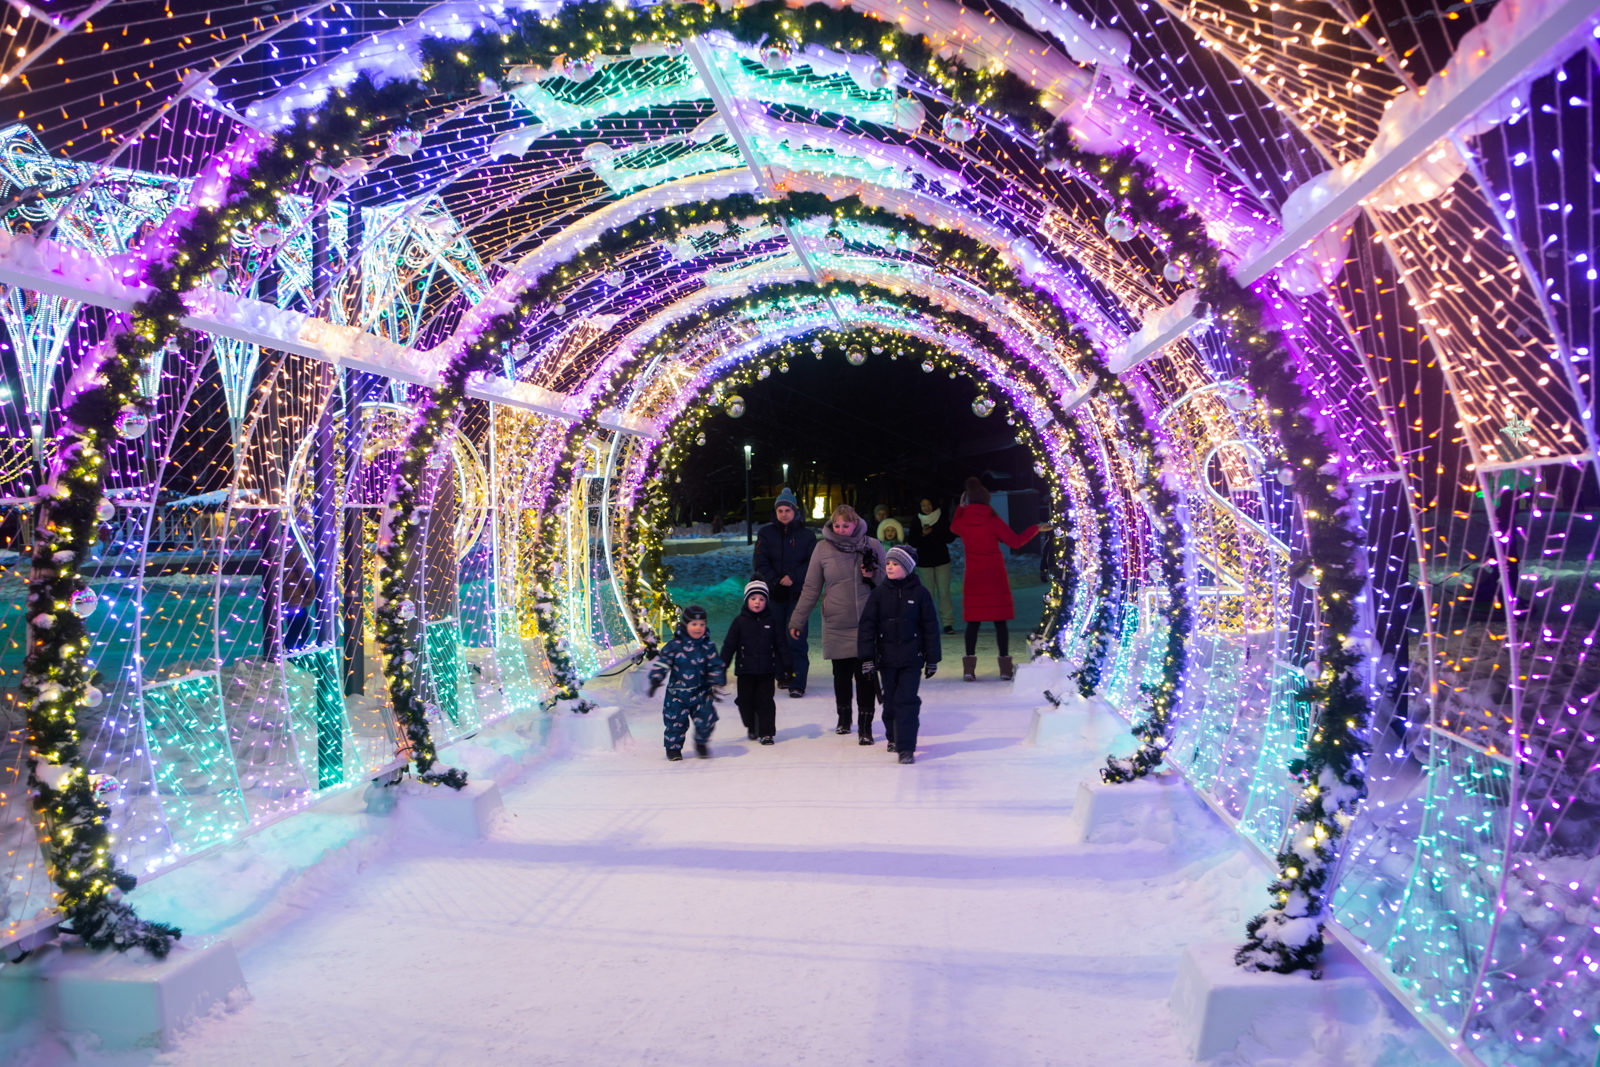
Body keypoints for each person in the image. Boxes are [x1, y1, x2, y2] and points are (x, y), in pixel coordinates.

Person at [789, 504, 887, 743]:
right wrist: (797, 619)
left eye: (846, 525)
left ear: (855, 524)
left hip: (866, 622)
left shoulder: (871, 545)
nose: (841, 529)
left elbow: (887, 582)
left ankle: (865, 726)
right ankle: (844, 718)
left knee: (865, 675)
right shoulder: (822, 548)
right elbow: (811, 587)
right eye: (837, 525)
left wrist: (872, 573)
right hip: (836, 622)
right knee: (841, 674)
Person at [950, 476, 1039, 682]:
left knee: (973, 623)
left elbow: (953, 528)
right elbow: (1015, 542)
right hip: (994, 576)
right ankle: (1005, 669)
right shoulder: (992, 519)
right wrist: (1035, 528)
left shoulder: (963, 521)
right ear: (986, 500)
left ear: (968, 500)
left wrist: (961, 508)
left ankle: (969, 670)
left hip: (974, 577)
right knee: (1000, 622)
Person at [858, 545, 941, 765]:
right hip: (886, 658)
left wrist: (932, 659)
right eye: (888, 564)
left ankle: (906, 748)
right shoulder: (878, 594)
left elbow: (930, 626)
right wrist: (867, 658)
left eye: (895, 564)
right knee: (891, 701)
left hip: (912, 659)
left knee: (907, 701)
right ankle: (893, 736)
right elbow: (867, 627)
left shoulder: (921, 594)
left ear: (908, 567)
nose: (890, 567)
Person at [753, 486, 816, 698]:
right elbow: (760, 561)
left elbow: (812, 563)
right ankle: (783, 674)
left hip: (798, 594)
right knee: (777, 634)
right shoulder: (766, 533)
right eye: (780, 510)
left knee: (796, 635)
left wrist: (793, 577)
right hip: (775, 593)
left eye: (787, 510)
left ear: (795, 512)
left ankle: (798, 680)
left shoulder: (807, 536)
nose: (784, 514)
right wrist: (775, 581)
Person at [648, 604, 727, 760]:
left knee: (707, 718)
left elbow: (716, 665)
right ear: (685, 625)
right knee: (675, 722)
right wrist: (656, 678)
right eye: (694, 624)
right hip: (678, 694)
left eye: (702, 624)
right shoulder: (675, 646)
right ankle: (673, 748)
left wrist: (717, 682)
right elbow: (663, 662)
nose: (698, 628)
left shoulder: (708, 646)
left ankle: (701, 742)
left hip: (701, 692)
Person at [720, 579, 792, 745]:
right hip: (745, 671)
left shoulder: (772, 622)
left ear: (766, 601)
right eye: (753, 599)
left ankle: (767, 732)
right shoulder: (739, 622)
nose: (757, 602)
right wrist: (721, 667)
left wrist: (788, 666)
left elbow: (781, 644)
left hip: (766, 671)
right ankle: (751, 725)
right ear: (747, 600)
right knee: (745, 701)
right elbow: (729, 646)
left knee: (766, 702)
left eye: (761, 599)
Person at [905, 496, 957, 634]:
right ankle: (927, 623)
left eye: (928, 504)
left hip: (942, 559)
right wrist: (922, 534)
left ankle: (947, 623)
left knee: (944, 592)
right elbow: (912, 542)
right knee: (927, 594)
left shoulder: (941, 516)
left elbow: (950, 537)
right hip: (924, 562)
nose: (926, 507)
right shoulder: (917, 519)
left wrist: (936, 531)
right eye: (923, 505)